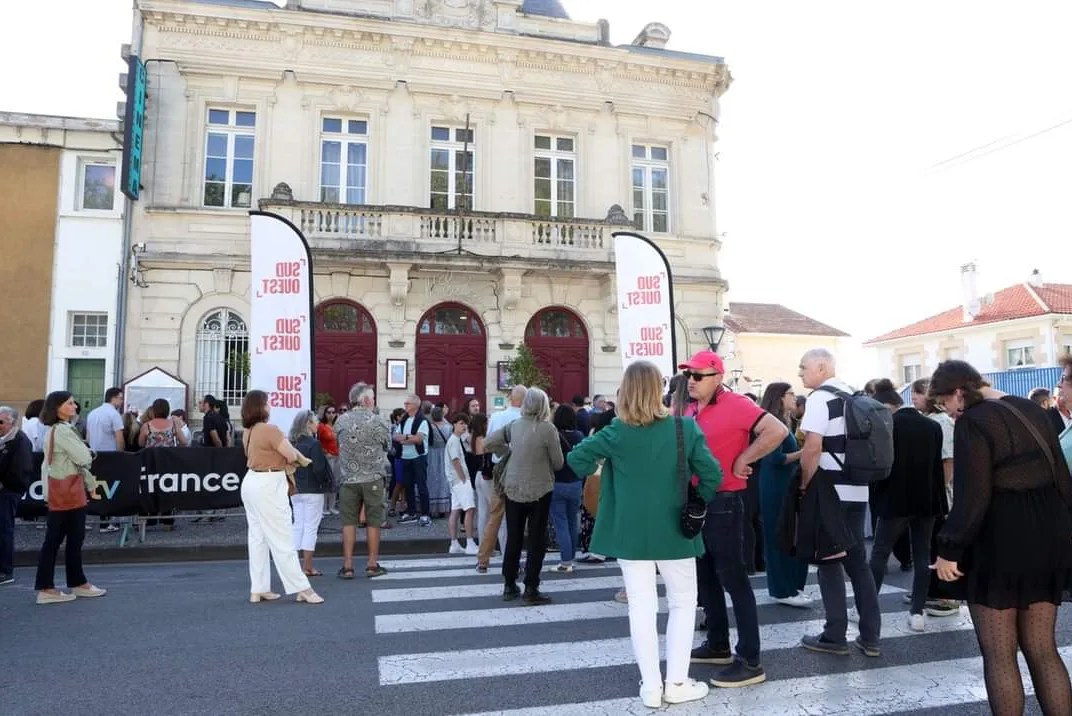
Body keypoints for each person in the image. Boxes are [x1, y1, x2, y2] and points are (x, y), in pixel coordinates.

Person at [568, 361, 721, 708]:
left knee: (641, 607)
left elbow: (576, 462)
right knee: (683, 604)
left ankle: (651, 687)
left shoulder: (615, 432)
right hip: (676, 532)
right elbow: (712, 474)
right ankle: (677, 682)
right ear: (659, 389)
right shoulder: (685, 428)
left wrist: (605, 466)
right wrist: (698, 498)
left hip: (630, 532)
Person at [932, 360, 1072, 715]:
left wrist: (949, 549)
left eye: (945, 403)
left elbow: (973, 496)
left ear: (959, 393)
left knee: (999, 652)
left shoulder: (974, 421)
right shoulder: (1032, 409)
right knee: (1043, 648)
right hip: (1048, 531)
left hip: (1000, 537)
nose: (948, 412)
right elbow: (1062, 478)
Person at [679, 350, 786, 688]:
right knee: (706, 577)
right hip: (697, 502)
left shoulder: (737, 404)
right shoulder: (689, 407)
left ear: (718, 377)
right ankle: (718, 643)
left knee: (734, 580)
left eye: (699, 375)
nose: (691, 381)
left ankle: (751, 659)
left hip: (725, 501)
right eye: (689, 375)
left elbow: (777, 430)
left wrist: (745, 456)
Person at [797, 348, 882, 658]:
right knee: (858, 564)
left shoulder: (820, 399)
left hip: (830, 492)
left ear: (822, 367)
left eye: (804, 367)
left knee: (829, 562)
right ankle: (871, 636)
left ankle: (835, 635)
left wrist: (805, 483)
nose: (800, 373)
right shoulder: (853, 395)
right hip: (858, 489)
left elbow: (812, 447)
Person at [867, 379, 945, 633]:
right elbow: (937, 469)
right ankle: (917, 612)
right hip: (927, 500)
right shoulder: (933, 426)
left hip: (894, 500)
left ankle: (865, 607)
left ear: (885, 406)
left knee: (879, 553)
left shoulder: (888, 426)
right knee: (923, 555)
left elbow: (881, 467)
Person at [239, 390, 323, 605]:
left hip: (251, 481)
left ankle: (258, 588)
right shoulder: (271, 430)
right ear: (262, 406)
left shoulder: (247, 431)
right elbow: (291, 454)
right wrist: (295, 458)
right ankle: (302, 587)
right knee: (282, 537)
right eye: (267, 403)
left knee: (257, 538)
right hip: (269, 484)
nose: (270, 406)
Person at [485, 387, 563, 605]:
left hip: (514, 488)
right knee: (537, 539)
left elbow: (489, 442)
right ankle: (531, 587)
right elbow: (558, 463)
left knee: (514, 536)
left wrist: (507, 452)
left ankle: (509, 584)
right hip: (540, 489)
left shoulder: (514, 426)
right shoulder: (547, 429)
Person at [33, 391, 107, 605]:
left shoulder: (56, 430)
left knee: (62, 540)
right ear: (57, 407)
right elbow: (84, 457)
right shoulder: (63, 431)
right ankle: (53, 586)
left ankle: (71, 583)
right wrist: (89, 452)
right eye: (69, 403)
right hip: (68, 491)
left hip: (62, 490)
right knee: (65, 540)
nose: (75, 406)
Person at [755, 383, 810, 608]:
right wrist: (805, 452)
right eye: (790, 394)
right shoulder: (772, 423)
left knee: (787, 532)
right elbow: (775, 459)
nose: (794, 397)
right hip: (775, 485)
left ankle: (788, 585)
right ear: (780, 397)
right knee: (778, 534)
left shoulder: (784, 421)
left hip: (783, 483)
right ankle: (781, 588)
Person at [335, 383, 391, 579]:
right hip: (373, 478)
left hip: (348, 479)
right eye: (373, 398)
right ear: (366, 400)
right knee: (374, 522)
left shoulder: (340, 421)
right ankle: (371, 563)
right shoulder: (379, 421)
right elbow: (387, 446)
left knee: (348, 522)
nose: (374, 401)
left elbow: (337, 445)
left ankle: (348, 565)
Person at [475, 385, 526, 573]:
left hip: (499, 468)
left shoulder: (496, 417)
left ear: (511, 398)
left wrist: (501, 452)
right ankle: (513, 560)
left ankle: (483, 560)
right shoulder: (526, 419)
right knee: (517, 519)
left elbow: (488, 444)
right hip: (520, 470)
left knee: (494, 516)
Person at [289, 409, 333, 578]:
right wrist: (325, 483)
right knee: (310, 528)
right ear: (308, 424)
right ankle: (307, 567)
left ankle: (293, 566)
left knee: (297, 525)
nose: (317, 425)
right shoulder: (313, 444)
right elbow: (319, 469)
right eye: (315, 422)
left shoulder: (292, 442)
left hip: (295, 489)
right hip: (312, 490)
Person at [549, 404, 585, 572]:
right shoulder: (579, 436)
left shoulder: (554, 435)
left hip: (557, 482)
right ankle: (571, 557)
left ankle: (566, 561)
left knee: (560, 523)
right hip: (575, 482)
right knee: (572, 521)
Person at [0, 406, 34, 585]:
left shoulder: (19, 441)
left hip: (8, 492)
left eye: (1, 422)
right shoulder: (5, 440)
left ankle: (6, 570)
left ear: (12, 423)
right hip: (6, 490)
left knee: (5, 530)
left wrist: (5, 483)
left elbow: (22, 470)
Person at [85, 387, 125, 533]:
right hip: (111, 455)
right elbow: (119, 437)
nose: (121, 401)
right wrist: (121, 455)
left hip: (95, 455)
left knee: (98, 487)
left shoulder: (92, 413)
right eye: (120, 398)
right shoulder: (114, 414)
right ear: (113, 398)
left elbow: (88, 438)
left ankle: (102, 518)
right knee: (111, 489)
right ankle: (107, 521)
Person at [394, 394, 431, 526]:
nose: (405, 406)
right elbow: (396, 436)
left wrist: (405, 438)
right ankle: (411, 512)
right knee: (408, 486)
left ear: (415, 405)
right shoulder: (404, 420)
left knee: (421, 485)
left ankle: (426, 514)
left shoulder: (422, 421)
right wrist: (409, 438)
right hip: (405, 457)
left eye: (407, 404)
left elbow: (419, 439)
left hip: (418, 457)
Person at [445, 412, 478, 555]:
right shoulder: (454, 441)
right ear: (454, 424)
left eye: (465, 424)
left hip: (454, 481)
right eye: (461, 423)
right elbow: (455, 460)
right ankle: (470, 542)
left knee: (455, 511)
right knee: (469, 510)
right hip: (460, 480)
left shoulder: (454, 440)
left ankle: (454, 543)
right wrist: (463, 478)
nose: (464, 426)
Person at [317, 404, 340, 515]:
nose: (331, 414)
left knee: (335, 481)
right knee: (327, 481)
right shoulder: (321, 426)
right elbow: (317, 442)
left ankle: (332, 506)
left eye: (333, 412)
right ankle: (324, 507)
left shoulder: (337, 425)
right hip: (328, 457)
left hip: (337, 456)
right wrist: (325, 452)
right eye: (329, 412)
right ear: (325, 414)